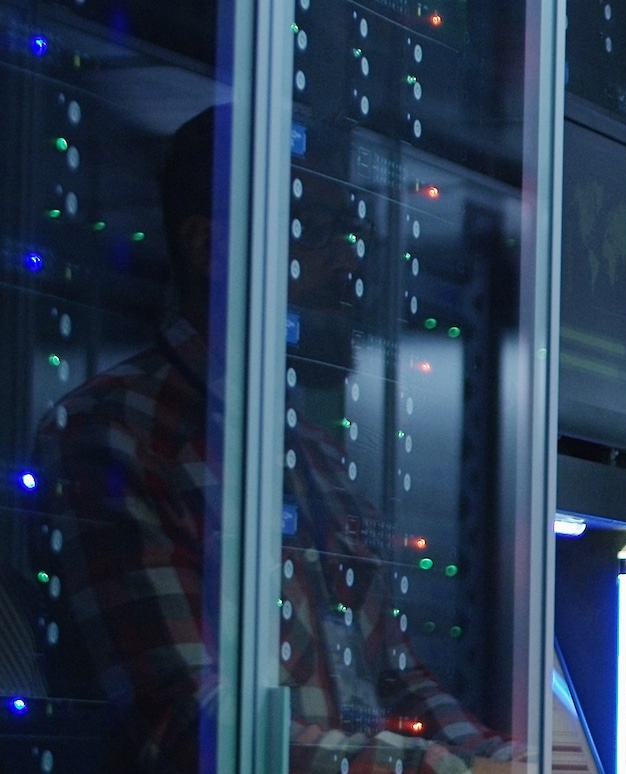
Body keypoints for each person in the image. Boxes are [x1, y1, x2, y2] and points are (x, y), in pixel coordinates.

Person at [33, 107, 517, 773]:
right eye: (311, 228)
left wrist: (511, 760)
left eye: (351, 229)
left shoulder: (312, 454)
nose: (348, 256)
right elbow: (186, 723)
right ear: (210, 248)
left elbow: (398, 681)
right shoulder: (117, 432)